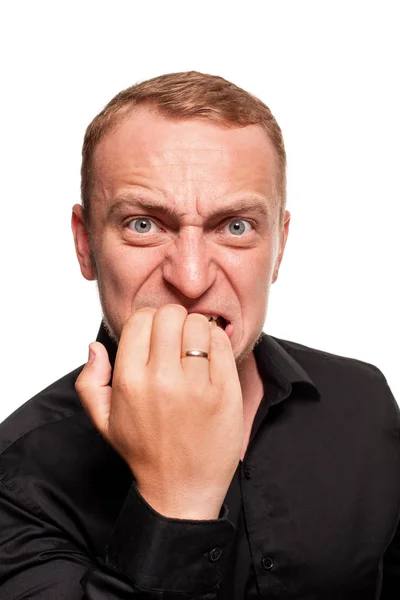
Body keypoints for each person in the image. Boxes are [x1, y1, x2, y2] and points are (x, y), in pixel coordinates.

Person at [0, 71, 399, 599]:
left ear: (278, 247)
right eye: (143, 224)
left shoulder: (363, 400)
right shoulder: (17, 476)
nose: (190, 279)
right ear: (84, 245)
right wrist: (176, 502)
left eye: (235, 226)